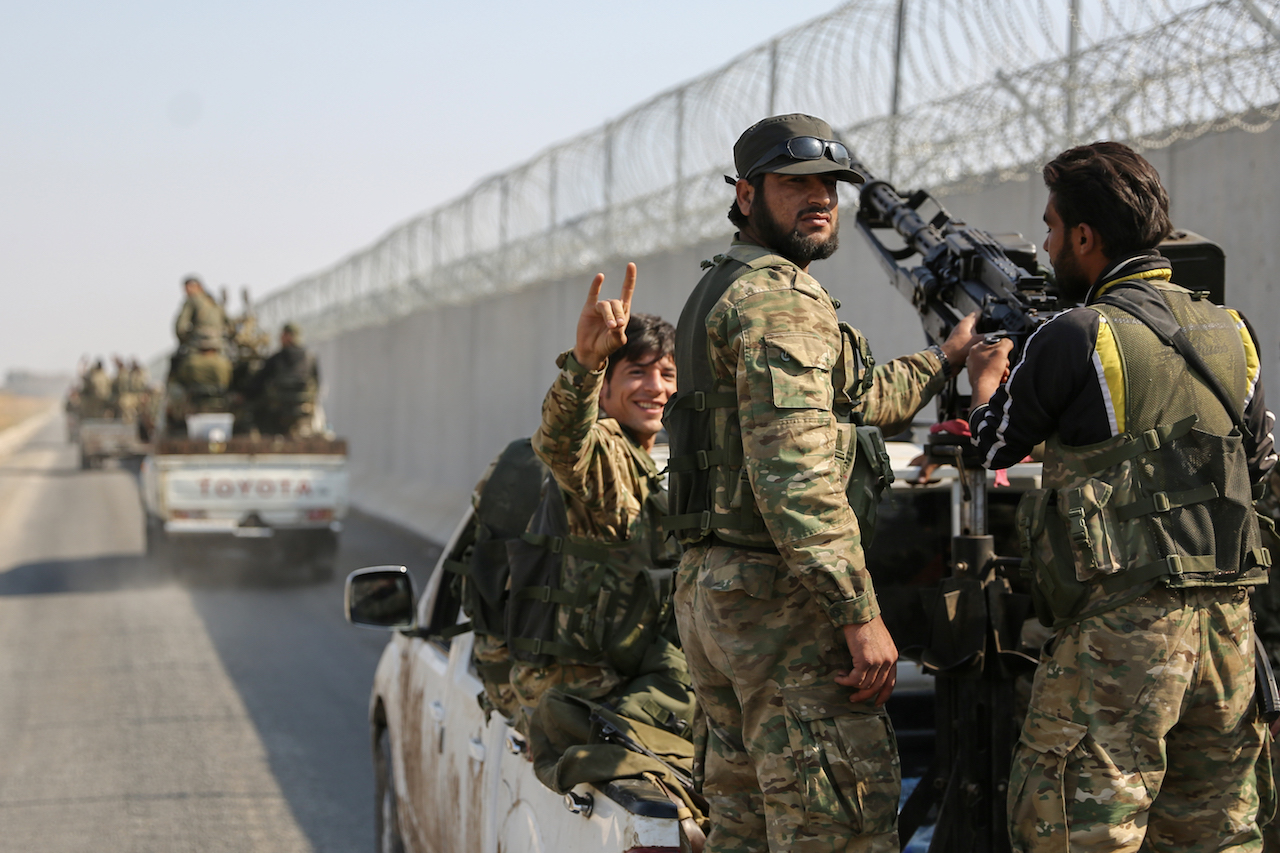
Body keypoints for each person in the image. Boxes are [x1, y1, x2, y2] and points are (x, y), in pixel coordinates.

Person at [664, 113, 979, 853]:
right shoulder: (781, 299)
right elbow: (796, 473)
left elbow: (858, 395)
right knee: (837, 828)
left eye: (828, 185)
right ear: (746, 195)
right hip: (780, 608)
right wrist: (857, 611)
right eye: (794, 182)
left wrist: (948, 358)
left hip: (718, 595)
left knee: (745, 828)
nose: (819, 198)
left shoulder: (725, 287)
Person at [967, 141, 1277, 852]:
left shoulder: (1076, 335)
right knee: (1217, 835)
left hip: (1121, 641)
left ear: (1085, 236)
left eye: (1051, 228)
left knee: (1079, 832)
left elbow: (992, 445)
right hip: (1227, 638)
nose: (1047, 246)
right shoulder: (1234, 333)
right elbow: (1259, 465)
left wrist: (988, 373)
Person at [509, 269, 688, 727]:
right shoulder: (606, 448)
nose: (656, 387)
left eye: (667, 374)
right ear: (605, 390)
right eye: (637, 373)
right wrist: (585, 365)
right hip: (584, 700)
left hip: (635, 688)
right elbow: (562, 445)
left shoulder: (670, 464)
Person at [170, 276, 232, 422]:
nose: (186, 292)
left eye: (188, 288)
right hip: (219, 351)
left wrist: (185, 340)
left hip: (195, 350)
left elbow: (179, 327)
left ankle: (175, 414)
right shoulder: (214, 303)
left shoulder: (192, 301)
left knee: (174, 375)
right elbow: (229, 325)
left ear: (197, 287)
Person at [244, 322, 319, 437]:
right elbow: (317, 383)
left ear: (287, 336)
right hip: (304, 410)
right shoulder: (310, 358)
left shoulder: (276, 359)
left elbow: (257, 384)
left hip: (276, 413)